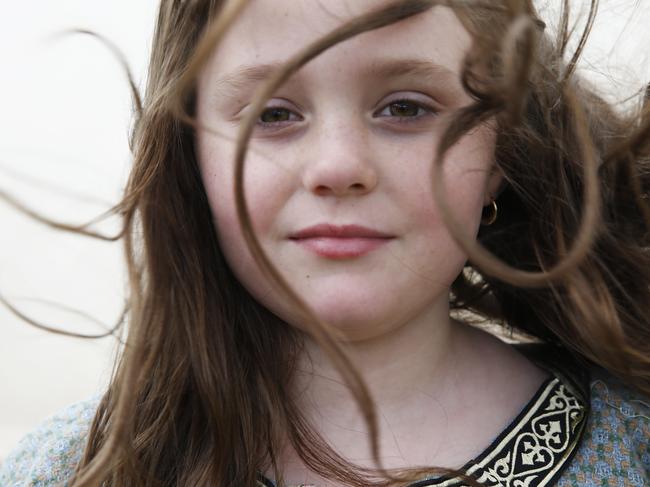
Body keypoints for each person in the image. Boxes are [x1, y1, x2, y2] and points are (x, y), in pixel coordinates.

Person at [1, 0, 649, 485]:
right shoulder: (66, 470)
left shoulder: (634, 444)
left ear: (502, 148)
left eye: (405, 107)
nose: (338, 166)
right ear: (191, 158)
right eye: (274, 114)